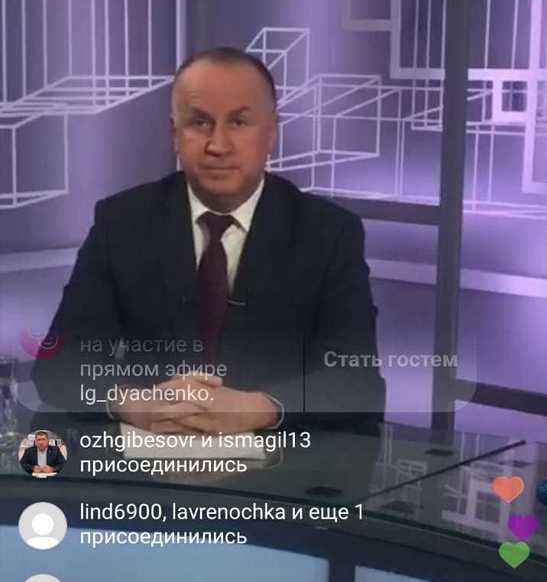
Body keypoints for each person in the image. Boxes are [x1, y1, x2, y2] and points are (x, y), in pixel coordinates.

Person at [32, 48, 385, 434]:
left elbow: (357, 381)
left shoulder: (328, 232)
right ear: (174, 134)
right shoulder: (123, 222)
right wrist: (130, 402)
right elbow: (58, 363)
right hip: (150, 455)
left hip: (281, 463)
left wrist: (258, 408)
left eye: (239, 122)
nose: (218, 145)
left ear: (271, 132)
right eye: (199, 123)